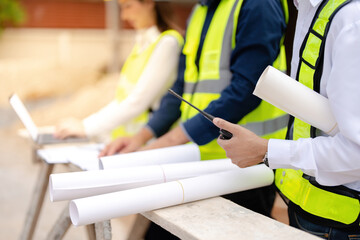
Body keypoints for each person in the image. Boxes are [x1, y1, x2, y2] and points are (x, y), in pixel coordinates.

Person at [101, 0, 288, 218]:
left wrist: (169, 141)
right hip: (198, 155)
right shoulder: (199, 11)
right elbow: (181, 87)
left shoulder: (258, 5)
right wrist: (142, 136)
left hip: (245, 163)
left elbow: (246, 89)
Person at [213, 0, 360, 239]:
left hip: (344, 222)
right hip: (305, 208)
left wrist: (265, 150)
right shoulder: (307, 8)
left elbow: (357, 151)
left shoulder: (352, 19)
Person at [54, 0, 183, 142]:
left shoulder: (168, 43)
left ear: (149, 3)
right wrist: (85, 125)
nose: (123, 16)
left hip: (149, 142)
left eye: (128, 6)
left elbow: (138, 101)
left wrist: (86, 126)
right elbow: (123, 99)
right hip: (129, 142)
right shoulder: (144, 43)